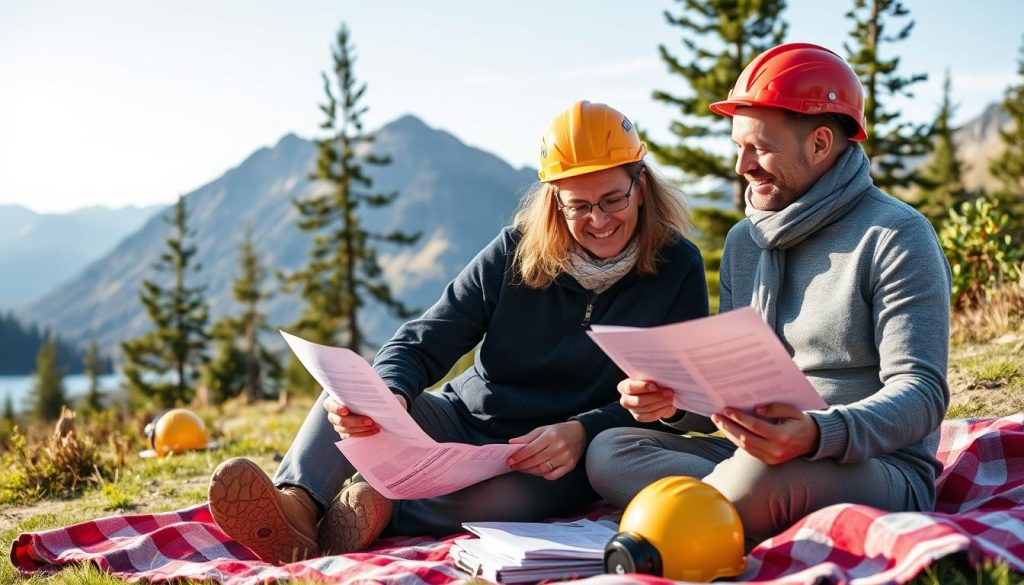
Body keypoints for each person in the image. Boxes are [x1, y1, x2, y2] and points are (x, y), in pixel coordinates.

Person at [207, 100, 710, 564]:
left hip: (554, 455)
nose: (598, 219)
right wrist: (390, 394)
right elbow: (422, 339)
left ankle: (368, 511)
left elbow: (670, 396)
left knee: (499, 503)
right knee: (346, 391)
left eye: (612, 199)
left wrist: (584, 430)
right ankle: (297, 503)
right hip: (461, 420)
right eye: (578, 205)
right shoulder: (514, 251)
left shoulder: (677, 266)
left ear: (641, 185)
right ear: (554, 201)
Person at [586, 42, 952, 549]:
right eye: (738, 145)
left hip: (872, 464)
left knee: (757, 479)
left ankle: (674, 531)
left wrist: (819, 434)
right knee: (610, 451)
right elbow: (729, 396)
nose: (742, 165)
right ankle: (712, 513)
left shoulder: (896, 235)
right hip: (751, 452)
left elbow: (922, 393)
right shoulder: (745, 241)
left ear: (821, 144)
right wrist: (671, 405)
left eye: (759, 147)